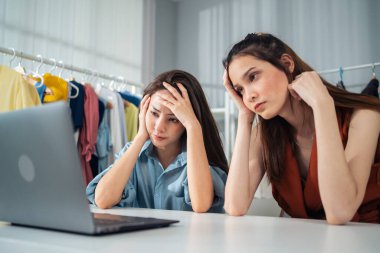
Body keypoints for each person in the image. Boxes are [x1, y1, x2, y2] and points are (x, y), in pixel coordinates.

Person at [222, 33, 380, 224]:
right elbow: (234, 205)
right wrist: (244, 117)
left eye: (253, 77)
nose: (249, 96)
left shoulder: (364, 116)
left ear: (287, 64)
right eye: (240, 90)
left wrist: (323, 106)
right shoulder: (264, 134)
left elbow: (340, 212)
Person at [87, 70, 228, 213]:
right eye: (154, 113)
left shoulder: (199, 158)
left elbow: (201, 205)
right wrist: (140, 136)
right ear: (144, 111)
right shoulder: (133, 152)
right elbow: (102, 200)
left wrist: (193, 126)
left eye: (173, 119)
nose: (159, 127)